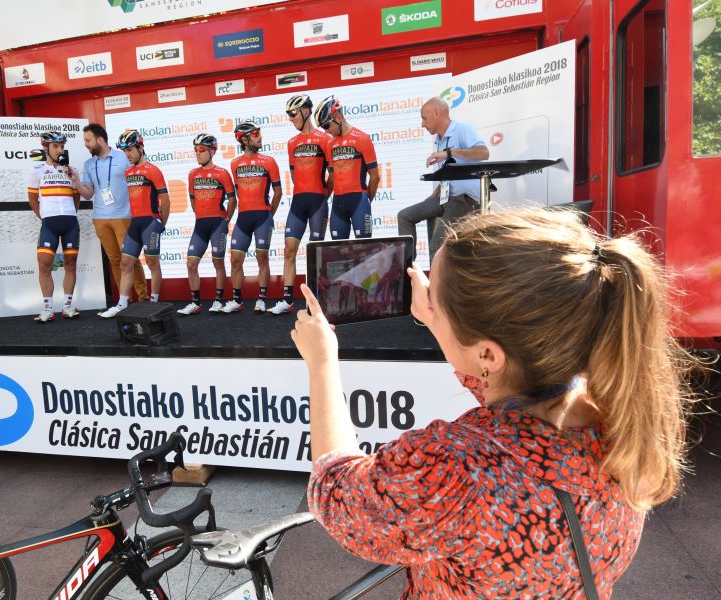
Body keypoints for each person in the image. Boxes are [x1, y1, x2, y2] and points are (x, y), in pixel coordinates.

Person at [292, 209, 692, 599]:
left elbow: (337, 493)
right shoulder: (620, 420)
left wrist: (321, 363)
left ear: (488, 354)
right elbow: (514, 392)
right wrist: (441, 322)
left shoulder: (456, 469)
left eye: (438, 299)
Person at [398, 96, 489, 259]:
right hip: (446, 199)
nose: (422, 124)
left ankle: (436, 285)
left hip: (465, 200)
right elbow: (449, 177)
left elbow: (483, 153)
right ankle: (408, 270)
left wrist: (449, 153)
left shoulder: (462, 129)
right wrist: (432, 197)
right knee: (404, 216)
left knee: (437, 247)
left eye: (424, 119)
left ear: (437, 114)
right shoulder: (438, 141)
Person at [70, 123, 148, 303]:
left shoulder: (123, 157)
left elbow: (140, 178)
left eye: (88, 140)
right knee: (114, 260)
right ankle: (124, 301)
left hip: (124, 216)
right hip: (100, 218)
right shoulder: (89, 164)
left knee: (131, 260)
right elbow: (88, 194)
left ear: (100, 140)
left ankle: (143, 298)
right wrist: (75, 181)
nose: (86, 144)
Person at [270, 94, 333, 315]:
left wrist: (325, 194)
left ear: (306, 112)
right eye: (288, 114)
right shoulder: (292, 143)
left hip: (318, 201)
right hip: (298, 201)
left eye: (293, 114)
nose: (290, 118)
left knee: (315, 253)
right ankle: (287, 300)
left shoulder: (325, 139)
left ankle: (316, 301)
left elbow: (332, 174)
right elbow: (295, 174)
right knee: (289, 250)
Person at [98, 130, 170, 318]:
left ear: (141, 147)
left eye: (130, 150)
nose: (127, 154)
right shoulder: (128, 172)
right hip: (135, 223)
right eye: (124, 151)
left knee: (153, 263)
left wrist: (162, 223)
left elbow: (165, 199)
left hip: (150, 222)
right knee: (125, 263)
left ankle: (154, 302)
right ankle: (122, 303)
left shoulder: (153, 170)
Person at [225, 121, 283, 314]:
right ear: (245, 138)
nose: (260, 137)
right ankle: (237, 300)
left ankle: (262, 298)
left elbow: (278, 193)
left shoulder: (269, 161)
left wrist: (269, 215)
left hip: (262, 217)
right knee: (235, 260)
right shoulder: (234, 164)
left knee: (262, 257)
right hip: (243, 218)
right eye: (256, 134)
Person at [177, 133, 236, 316]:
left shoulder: (222, 173)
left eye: (201, 150)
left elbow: (233, 200)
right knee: (191, 263)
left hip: (218, 222)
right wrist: (201, 215)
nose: (198, 153)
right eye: (195, 150)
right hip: (201, 224)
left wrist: (226, 219)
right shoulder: (192, 174)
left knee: (217, 261)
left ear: (212, 151)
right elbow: (193, 200)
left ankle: (218, 300)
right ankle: (195, 303)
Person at [26, 131, 81, 323]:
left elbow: (76, 196)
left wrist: (70, 213)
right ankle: (48, 309)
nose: (60, 150)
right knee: (44, 264)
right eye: (56, 146)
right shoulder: (37, 170)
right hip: (49, 223)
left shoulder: (71, 170)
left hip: (70, 223)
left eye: (62, 146)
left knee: (70, 264)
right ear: (46, 148)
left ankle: (67, 306)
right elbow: (32, 198)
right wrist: (44, 217)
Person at [314, 95, 379, 240]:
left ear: (338, 115)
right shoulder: (330, 144)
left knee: (364, 251)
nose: (326, 131)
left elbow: (375, 177)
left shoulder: (362, 138)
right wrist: (323, 199)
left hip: (359, 201)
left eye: (326, 125)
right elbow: (332, 177)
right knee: (338, 254)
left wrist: (366, 201)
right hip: (338, 204)